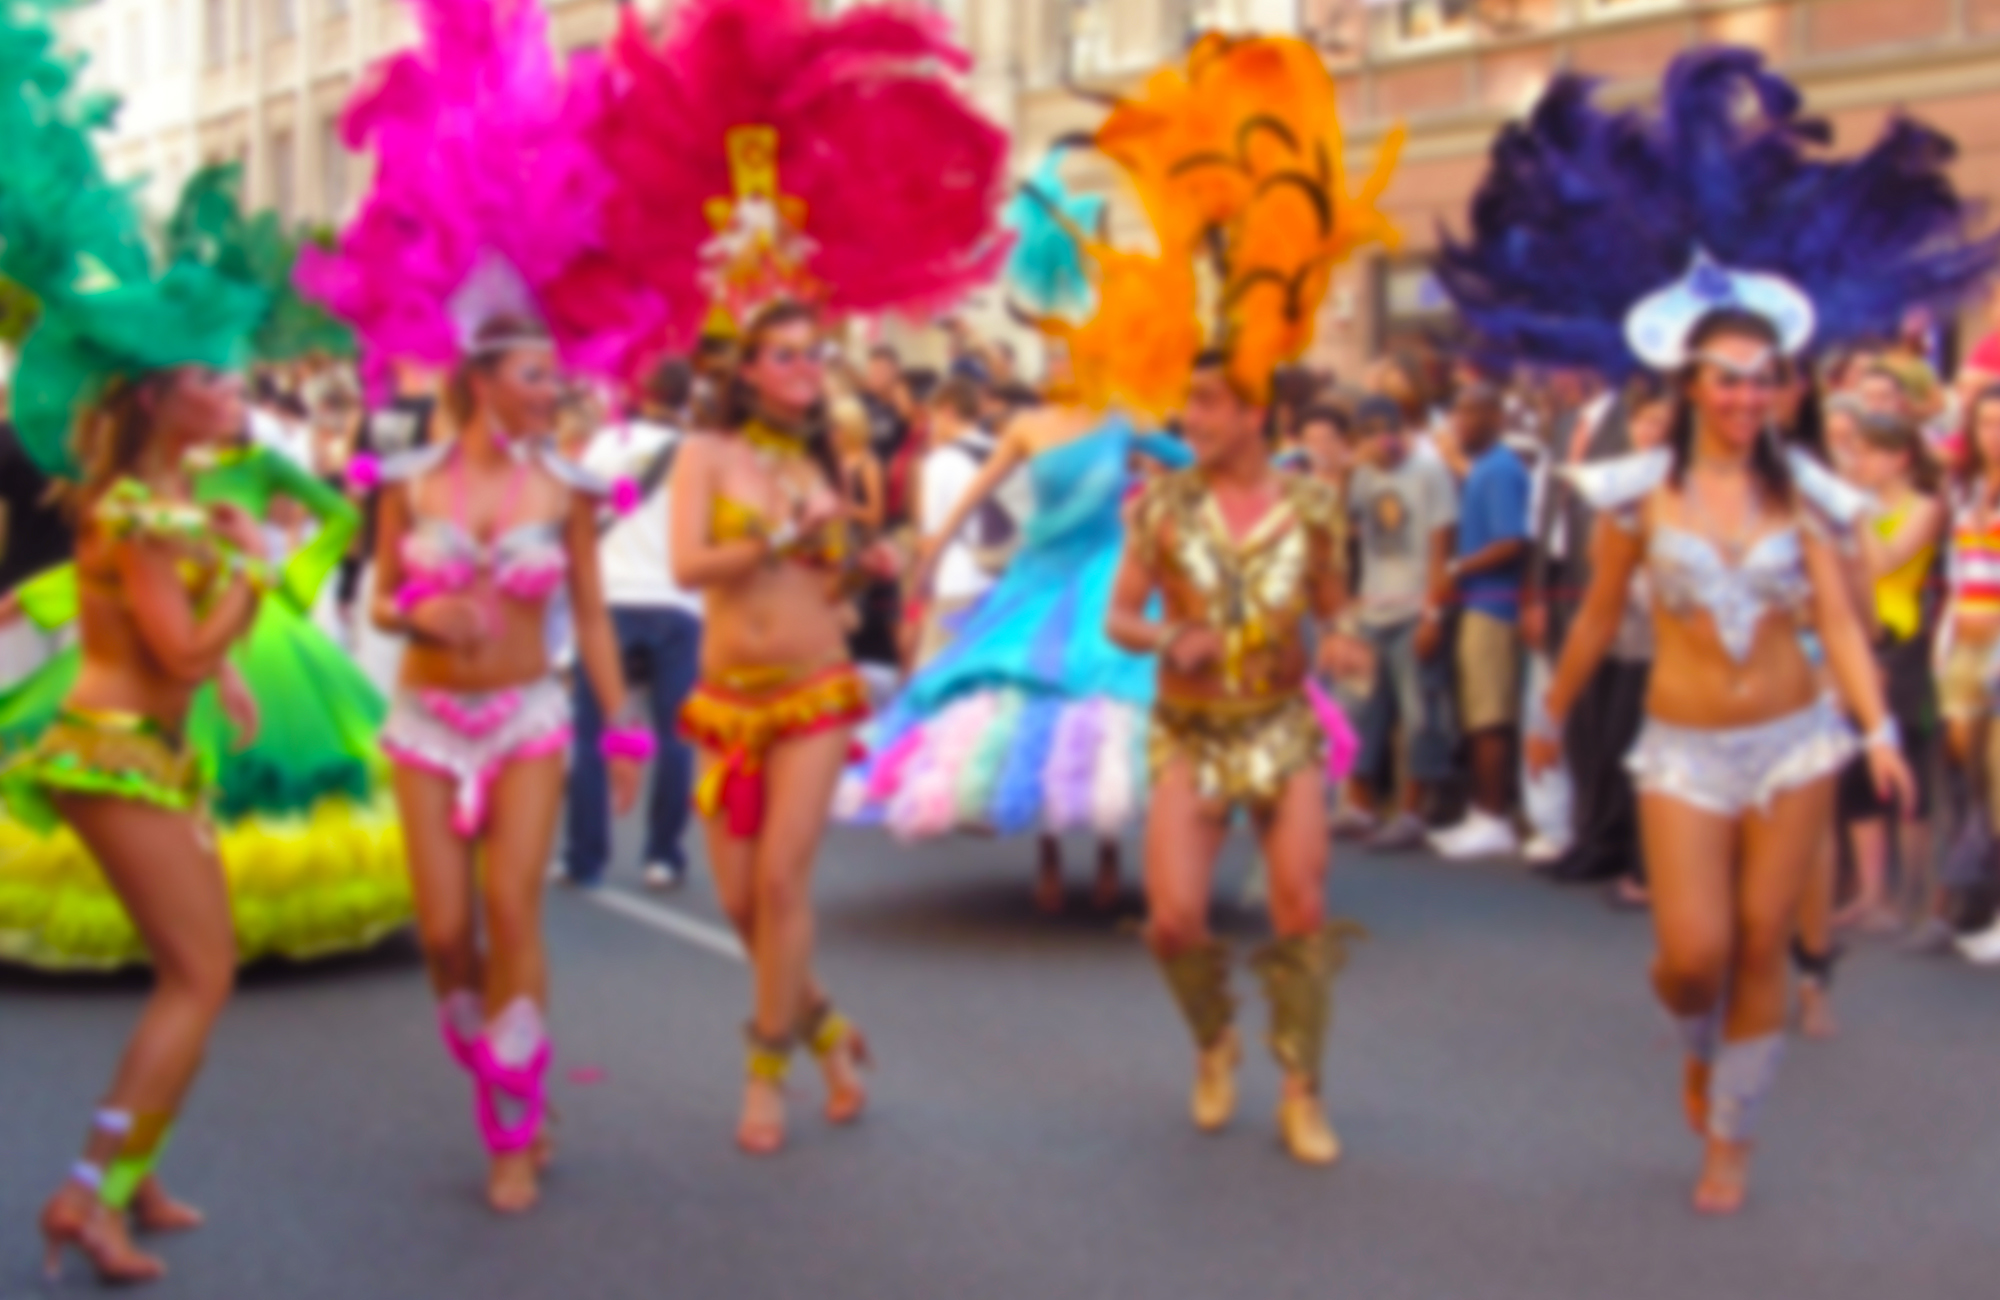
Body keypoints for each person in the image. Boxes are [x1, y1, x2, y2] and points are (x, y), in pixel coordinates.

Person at [1535, 305, 1915, 1214]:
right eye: (1729, 378)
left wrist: (1879, 730)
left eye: (1762, 378)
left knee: (1760, 939)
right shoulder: (1639, 492)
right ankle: (1695, 1038)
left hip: (1794, 747)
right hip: (1683, 752)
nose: (1748, 396)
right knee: (1694, 958)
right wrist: (1550, 712)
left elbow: (1839, 625)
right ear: (1692, 385)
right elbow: (1597, 616)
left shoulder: (1805, 492)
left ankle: (1732, 1137)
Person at [371, 314, 642, 1213]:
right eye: (534, 375)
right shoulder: (407, 481)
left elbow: (592, 615)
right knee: (446, 936)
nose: (551, 392)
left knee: (512, 908)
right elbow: (377, 601)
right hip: (427, 723)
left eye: (555, 377)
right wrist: (418, 611)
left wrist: (621, 724)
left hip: (527, 715)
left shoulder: (568, 489)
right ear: (480, 380)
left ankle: (512, 1129)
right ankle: (503, 1066)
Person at [1110, 352, 1369, 1165]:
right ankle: (1213, 1039)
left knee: (1301, 909)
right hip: (1192, 730)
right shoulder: (1159, 505)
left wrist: (1343, 637)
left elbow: (1335, 605)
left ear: (1256, 414)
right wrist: (1165, 635)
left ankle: (1302, 1091)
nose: (1192, 418)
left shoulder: (1315, 505)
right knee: (1172, 921)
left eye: (1211, 402)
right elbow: (1119, 616)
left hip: (1281, 726)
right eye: (1190, 401)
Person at [669, 302, 889, 1154]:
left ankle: (766, 1072)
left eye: (814, 353)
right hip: (727, 699)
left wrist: (864, 569)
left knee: (781, 885)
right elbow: (689, 566)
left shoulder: (820, 461)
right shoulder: (705, 454)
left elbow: (827, 591)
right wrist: (782, 535)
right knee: (736, 900)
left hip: (813, 687)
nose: (805, 368)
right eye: (786, 354)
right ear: (750, 368)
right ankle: (827, 1029)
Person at [563, 357, 704, 892]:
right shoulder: (696, 452)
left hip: (611, 595)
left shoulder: (605, 444)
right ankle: (663, 855)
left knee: (592, 729)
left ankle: (585, 856)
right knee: (676, 735)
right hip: (677, 598)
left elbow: (577, 509)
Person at [1831, 407, 1943, 938]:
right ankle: (1871, 892)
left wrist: (1857, 511)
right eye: (1857, 452)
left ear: (1900, 458)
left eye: (1872, 452)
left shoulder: (1925, 506)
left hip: (1903, 644)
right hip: (1855, 640)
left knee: (1908, 767)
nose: (1861, 462)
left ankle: (1911, 895)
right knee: (1856, 767)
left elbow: (1886, 561)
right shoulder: (1850, 507)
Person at [1341, 396, 1458, 850]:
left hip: (1413, 609)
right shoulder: (1363, 475)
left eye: (1385, 432)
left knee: (1420, 714)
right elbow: (1337, 522)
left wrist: (1433, 613)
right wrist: (1349, 468)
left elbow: (1442, 549)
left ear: (1400, 430)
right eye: (1367, 434)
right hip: (1371, 608)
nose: (1379, 442)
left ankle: (1412, 813)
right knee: (1359, 710)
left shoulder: (1429, 472)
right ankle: (1361, 807)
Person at [1429, 383, 1531, 859]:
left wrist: (1456, 567)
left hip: (1494, 606)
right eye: (1457, 412)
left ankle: (1494, 816)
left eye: (1471, 412)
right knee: (1476, 714)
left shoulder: (1501, 469)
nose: (1460, 422)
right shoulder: (1483, 467)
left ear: (1496, 416)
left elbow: (1512, 541)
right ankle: (1479, 811)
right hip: (1476, 602)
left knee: (1489, 717)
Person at [1941, 385, 2000, 965]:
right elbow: (1959, 574)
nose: (1995, 435)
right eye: (1986, 424)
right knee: (1971, 781)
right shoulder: (1965, 490)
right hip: (1965, 649)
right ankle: (1972, 902)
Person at [913, 377, 999, 666]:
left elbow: (931, 538)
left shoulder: (941, 461)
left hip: (958, 581)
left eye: (932, 417)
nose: (931, 426)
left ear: (947, 411)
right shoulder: (1004, 450)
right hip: (1005, 580)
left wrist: (921, 586)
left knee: (938, 676)